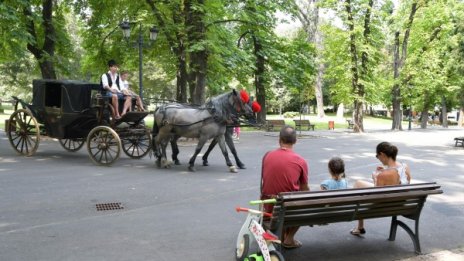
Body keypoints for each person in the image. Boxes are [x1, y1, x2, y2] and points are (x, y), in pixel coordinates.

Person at [261, 125, 309, 249]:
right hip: (287, 209)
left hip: (269, 206)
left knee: (283, 197)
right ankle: (289, 238)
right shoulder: (300, 161)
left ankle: (283, 236)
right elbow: (304, 189)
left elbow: (263, 182)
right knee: (302, 202)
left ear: (279, 139)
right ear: (295, 141)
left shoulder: (267, 155)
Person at [350, 141, 412, 235]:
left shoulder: (383, 175)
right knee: (359, 183)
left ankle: (360, 226)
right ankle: (360, 227)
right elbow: (403, 182)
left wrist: (375, 177)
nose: (378, 158)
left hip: (384, 206)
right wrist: (385, 171)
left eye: (377, 156)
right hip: (401, 203)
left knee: (358, 185)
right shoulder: (405, 167)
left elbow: (376, 196)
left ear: (382, 154)